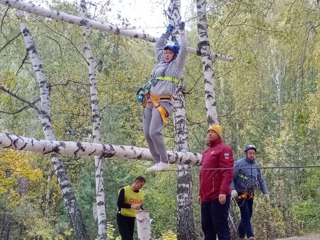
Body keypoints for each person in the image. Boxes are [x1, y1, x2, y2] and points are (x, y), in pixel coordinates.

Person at [136, 21, 188, 172]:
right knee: (147, 133)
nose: (166, 54)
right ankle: (157, 160)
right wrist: (167, 32)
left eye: (170, 53)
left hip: (163, 102)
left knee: (154, 132)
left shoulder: (176, 66)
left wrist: (182, 32)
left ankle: (164, 161)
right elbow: (158, 46)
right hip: (149, 100)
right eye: (166, 52)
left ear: (174, 55)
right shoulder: (160, 61)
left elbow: (184, 50)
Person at [199, 124, 234, 240]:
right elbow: (203, 174)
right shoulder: (206, 152)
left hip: (218, 195)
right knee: (207, 228)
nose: (210, 133)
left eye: (213, 131)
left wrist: (223, 191)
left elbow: (227, 172)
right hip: (206, 197)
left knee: (220, 226)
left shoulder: (225, 149)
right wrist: (200, 194)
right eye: (208, 131)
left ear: (218, 134)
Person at [231, 144, 270, 240]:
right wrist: (233, 190)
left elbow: (261, 180)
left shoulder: (256, 166)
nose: (252, 155)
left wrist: (265, 192)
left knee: (249, 214)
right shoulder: (239, 164)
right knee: (245, 212)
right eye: (250, 153)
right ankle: (250, 236)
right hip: (239, 193)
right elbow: (230, 177)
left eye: (253, 153)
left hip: (250, 193)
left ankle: (240, 234)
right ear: (246, 153)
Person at [117, 176, 145, 240]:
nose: (141, 187)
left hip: (132, 218)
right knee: (127, 238)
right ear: (136, 182)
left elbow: (139, 206)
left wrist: (144, 213)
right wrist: (131, 206)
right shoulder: (124, 190)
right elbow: (119, 204)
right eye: (141, 185)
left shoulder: (141, 193)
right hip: (122, 217)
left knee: (129, 238)